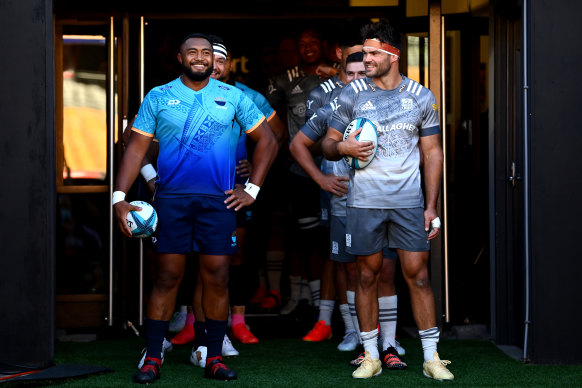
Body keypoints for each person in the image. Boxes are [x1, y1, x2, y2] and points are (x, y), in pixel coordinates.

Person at [113, 32, 278, 383]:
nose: (200, 58)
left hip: (218, 202)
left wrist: (252, 189)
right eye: (193, 52)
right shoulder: (159, 96)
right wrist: (119, 197)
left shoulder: (232, 96)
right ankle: (153, 357)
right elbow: (135, 149)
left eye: (206, 52)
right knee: (167, 277)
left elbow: (268, 141)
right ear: (180, 57)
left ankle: (212, 356)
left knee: (217, 277)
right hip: (170, 201)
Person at [321, 20, 453, 380]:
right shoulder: (351, 94)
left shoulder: (421, 96)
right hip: (363, 203)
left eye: (372, 52)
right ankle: (370, 355)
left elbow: (433, 153)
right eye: (363, 52)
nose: (366, 59)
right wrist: (342, 147)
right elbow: (327, 144)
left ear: (393, 55)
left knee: (419, 277)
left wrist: (431, 206)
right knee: (366, 276)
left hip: (408, 204)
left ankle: (431, 357)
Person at [291, 52, 406, 369]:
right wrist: (320, 179)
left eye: (362, 73)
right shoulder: (332, 108)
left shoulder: (392, 105)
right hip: (344, 202)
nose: (357, 79)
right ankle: (358, 335)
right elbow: (296, 145)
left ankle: (390, 342)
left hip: (385, 201)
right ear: (342, 75)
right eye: (350, 73)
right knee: (354, 270)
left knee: (386, 270)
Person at [265, 28, 336, 316]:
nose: (308, 48)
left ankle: (331, 309)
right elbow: (261, 117)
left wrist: (335, 72)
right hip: (300, 171)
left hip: (339, 168)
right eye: (302, 44)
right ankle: (317, 303)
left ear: (325, 45)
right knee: (309, 239)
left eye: (313, 42)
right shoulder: (283, 79)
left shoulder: (340, 77)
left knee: (336, 239)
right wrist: (278, 151)